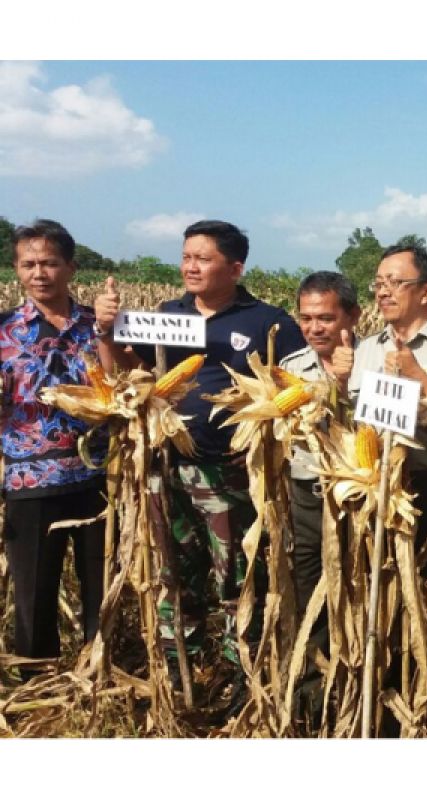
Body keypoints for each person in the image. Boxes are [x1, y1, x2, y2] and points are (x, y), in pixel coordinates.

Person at [94, 220, 305, 704]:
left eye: (203, 258)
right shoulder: (168, 314)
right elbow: (128, 374)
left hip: (228, 472)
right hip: (164, 469)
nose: (190, 266)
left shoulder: (266, 322)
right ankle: (177, 668)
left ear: (235, 267)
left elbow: (298, 387)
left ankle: (242, 672)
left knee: (235, 576)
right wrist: (106, 331)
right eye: (187, 256)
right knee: (171, 572)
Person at [347, 243, 427, 620]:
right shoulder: (367, 349)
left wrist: (418, 376)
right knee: (381, 600)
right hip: (377, 488)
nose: (383, 291)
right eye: (378, 283)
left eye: (394, 282)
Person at [1, 219, 108, 673]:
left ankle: (99, 668)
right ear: (16, 270)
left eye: (49, 262)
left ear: (71, 267)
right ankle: (37, 679)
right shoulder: (4, 332)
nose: (38, 273)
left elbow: (126, 386)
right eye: (28, 264)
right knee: (34, 588)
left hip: (101, 477)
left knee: (101, 586)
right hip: (31, 480)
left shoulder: (97, 327)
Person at [277, 271, 358, 716]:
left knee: (362, 583)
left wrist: (345, 387)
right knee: (310, 586)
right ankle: (313, 688)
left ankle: (362, 679)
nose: (314, 328)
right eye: (306, 318)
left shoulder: (380, 361)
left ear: (352, 315)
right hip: (307, 493)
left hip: (361, 497)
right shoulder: (290, 368)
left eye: (325, 317)